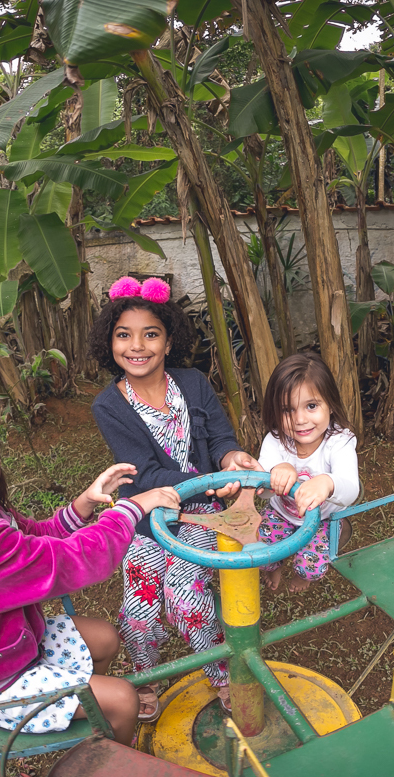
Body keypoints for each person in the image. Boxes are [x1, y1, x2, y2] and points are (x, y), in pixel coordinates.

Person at [0, 392, 180, 747]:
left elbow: (36, 535)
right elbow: (76, 561)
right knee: (125, 699)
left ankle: (90, 717)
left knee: (106, 638)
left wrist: (83, 503)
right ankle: (113, 765)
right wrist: (133, 507)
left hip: (11, 643)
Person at [89, 276, 262, 721]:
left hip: (204, 517)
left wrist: (233, 457)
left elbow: (222, 439)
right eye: (123, 335)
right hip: (148, 519)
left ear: (168, 341)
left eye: (151, 334)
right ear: (110, 342)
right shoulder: (109, 405)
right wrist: (209, 479)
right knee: (139, 609)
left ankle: (224, 674)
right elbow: (143, 473)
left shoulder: (193, 383)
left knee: (184, 597)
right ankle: (146, 676)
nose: (137, 346)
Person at [257, 353, 359, 593]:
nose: (300, 419)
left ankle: (304, 577)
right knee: (262, 553)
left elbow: (350, 489)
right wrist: (274, 474)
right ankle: (274, 566)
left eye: (311, 406)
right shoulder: (275, 441)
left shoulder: (340, 442)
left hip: (323, 520)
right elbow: (261, 492)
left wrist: (327, 482)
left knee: (310, 567)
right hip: (282, 512)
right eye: (287, 410)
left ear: (330, 404)